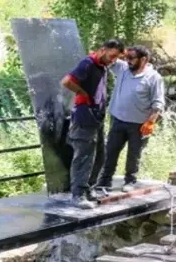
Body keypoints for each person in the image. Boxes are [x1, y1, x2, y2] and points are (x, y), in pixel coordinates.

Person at [60, 39, 125, 209]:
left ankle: (89, 189)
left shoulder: (102, 67)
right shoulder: (87, 63)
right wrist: (83, 93)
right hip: (84, 117)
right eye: (112, 56)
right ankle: (78, 195)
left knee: (100, 155)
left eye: (116, 58)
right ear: (103, 50)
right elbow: (67, 81)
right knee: (84, 157)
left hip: (96, 118)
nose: (113, 61)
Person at [96, 45, 165, 192]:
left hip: (139, 124)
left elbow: (158, 103)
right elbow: (107, 59)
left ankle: (130, 181)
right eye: (126, 58)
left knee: (134, 155)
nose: (128, 61)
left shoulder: (154, 78)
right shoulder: (122, 69)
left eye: (132, 58)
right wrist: (118, 52)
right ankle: (104, 181)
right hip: (118, 120)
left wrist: (151, 121)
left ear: (144, 59)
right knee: (111, 151)